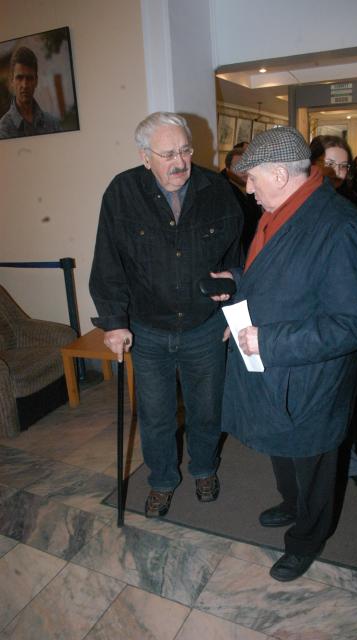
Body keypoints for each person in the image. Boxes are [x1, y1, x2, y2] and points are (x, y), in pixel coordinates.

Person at [214, 127, 357, 581]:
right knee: (282, 450)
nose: (248, 189)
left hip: (311, 377)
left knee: (313, 462)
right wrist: (237, 283)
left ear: (279, 174)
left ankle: (309, 537)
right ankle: (292, 504)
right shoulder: (279, 211)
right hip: (273, 372)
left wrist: (269, 341)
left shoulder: (341, 226)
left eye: (252, 178)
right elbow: (278, 276)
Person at [89, 111, 243, 517]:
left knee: (206, 410)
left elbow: (238, 257)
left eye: (186, 150)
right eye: (168, 154)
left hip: (204, 327)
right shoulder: (122, 193)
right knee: (156, 415)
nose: (181, 162)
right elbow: (108, 262)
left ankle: (204, 468)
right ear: (145, 156)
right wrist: (114, 322)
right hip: (148, 329)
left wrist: (234, 310)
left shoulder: (217, 190)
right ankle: (161, 480)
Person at [310, 135, 357, 491]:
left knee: (344, 401)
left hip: (341, 322)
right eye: (329, 165)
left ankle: (349, 463)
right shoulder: (299, 204)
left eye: (343, 166)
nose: (337, 173)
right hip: (309, 320)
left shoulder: (354, 206)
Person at [0, 46, 62, 139]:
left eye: (29, 78)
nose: (24, 85)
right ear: (12, 81)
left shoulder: (53, 124)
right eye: (19, 78)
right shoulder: (3, 129)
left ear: (36, 81)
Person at [221, 147, 262, 254]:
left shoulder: (251, 186)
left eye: (246, 165)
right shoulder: (221, 191)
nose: (244, 171)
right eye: (239, 166)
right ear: (228, 169)